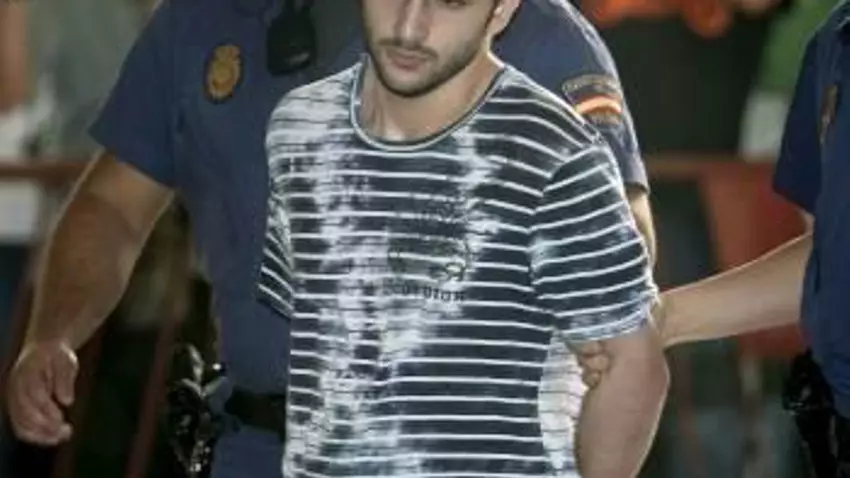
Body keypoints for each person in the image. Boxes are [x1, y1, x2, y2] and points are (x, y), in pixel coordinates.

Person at [5, 0, 658, 476]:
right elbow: (113, 204)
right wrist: (52, 332)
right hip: (255, 442)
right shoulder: (199, 21)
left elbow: (624, 248)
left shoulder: (525, 26)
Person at [257, 1, 667, 477]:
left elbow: (632, 361)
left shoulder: (552, 144)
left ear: (503, 10)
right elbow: (315, 330)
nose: (409, 27)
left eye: (451, 1)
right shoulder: (299, 128)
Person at [579, 3, 850, 475]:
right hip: (644, 215)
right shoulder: (837, 40)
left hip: (711, 206)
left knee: (725, 402)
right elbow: (836, 256)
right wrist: (661, 319)